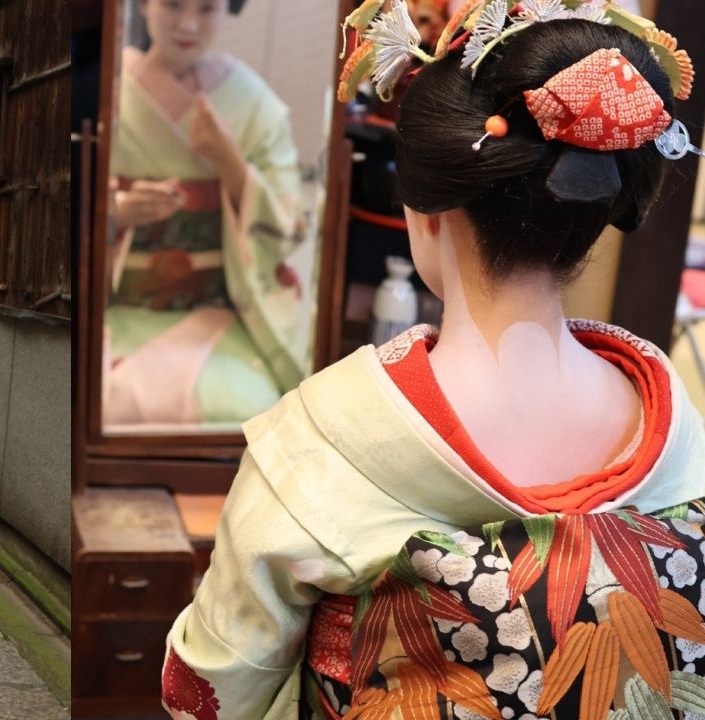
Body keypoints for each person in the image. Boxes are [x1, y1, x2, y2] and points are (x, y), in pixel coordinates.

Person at [163, 3, 705, 718]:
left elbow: (210, 690)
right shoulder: (679, 424)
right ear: (592, 216)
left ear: (426, 213)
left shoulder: (323, 440)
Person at [104, 0, 310, 431]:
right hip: (112, 299)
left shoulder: (253, 102)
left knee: (254, 406)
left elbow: (291, 226)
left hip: (215, 305)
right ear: (143, 5)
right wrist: (117, 212)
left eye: (207, 8)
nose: (188, 24)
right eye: (173, 5)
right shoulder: (107, 87)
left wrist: (231, 164)